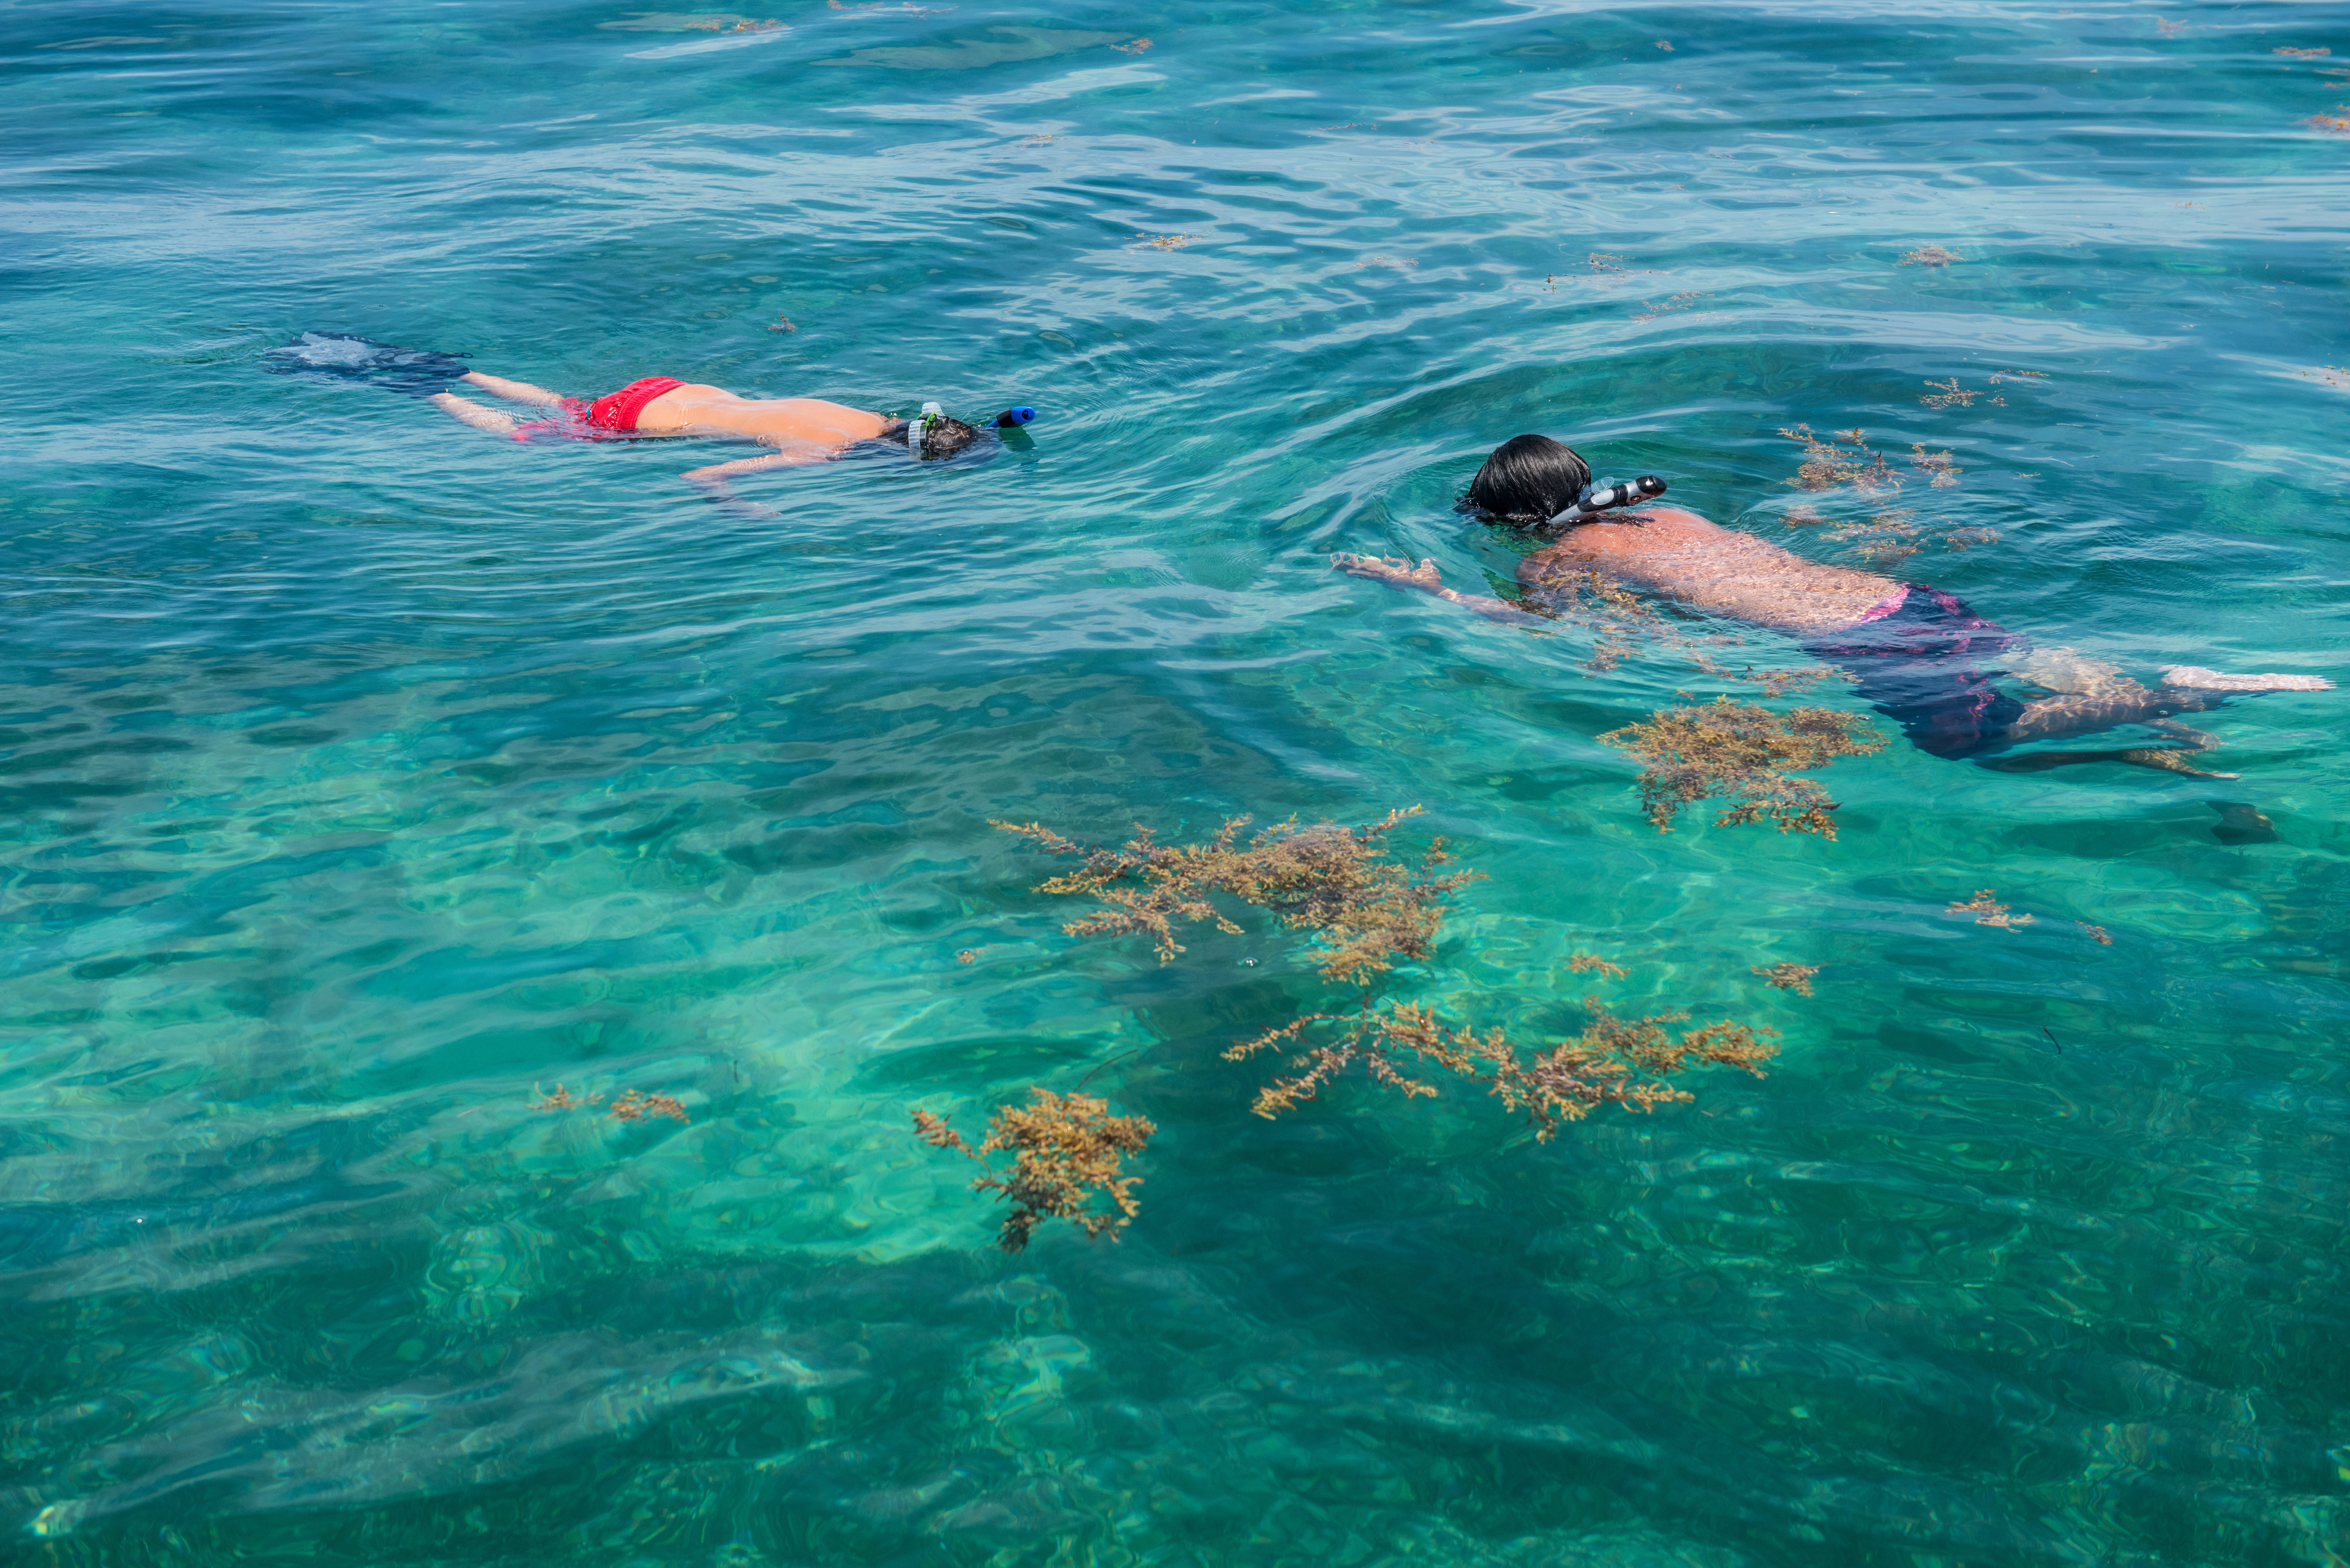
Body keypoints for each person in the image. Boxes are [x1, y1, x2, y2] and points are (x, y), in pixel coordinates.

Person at [1333, 433, 2331, 766]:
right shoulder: (1657, 522)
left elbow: (1541, 633)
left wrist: (1426, 596)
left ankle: (2177, 694)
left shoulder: (1555, 564)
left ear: (1511, 520)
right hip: (1907, 596)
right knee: (2034, 666)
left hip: (1864, 642)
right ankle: (2185, 757)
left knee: (1971, 742)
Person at [265, 332, 989, 514]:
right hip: (649, 424)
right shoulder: (821, 452)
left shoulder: (868, 416)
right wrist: (739, 503)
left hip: (670, 387)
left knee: (560, 404)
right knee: (519, 436)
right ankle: (425, 390)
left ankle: (455, 367)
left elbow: (931, 422)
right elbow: (701, 469)